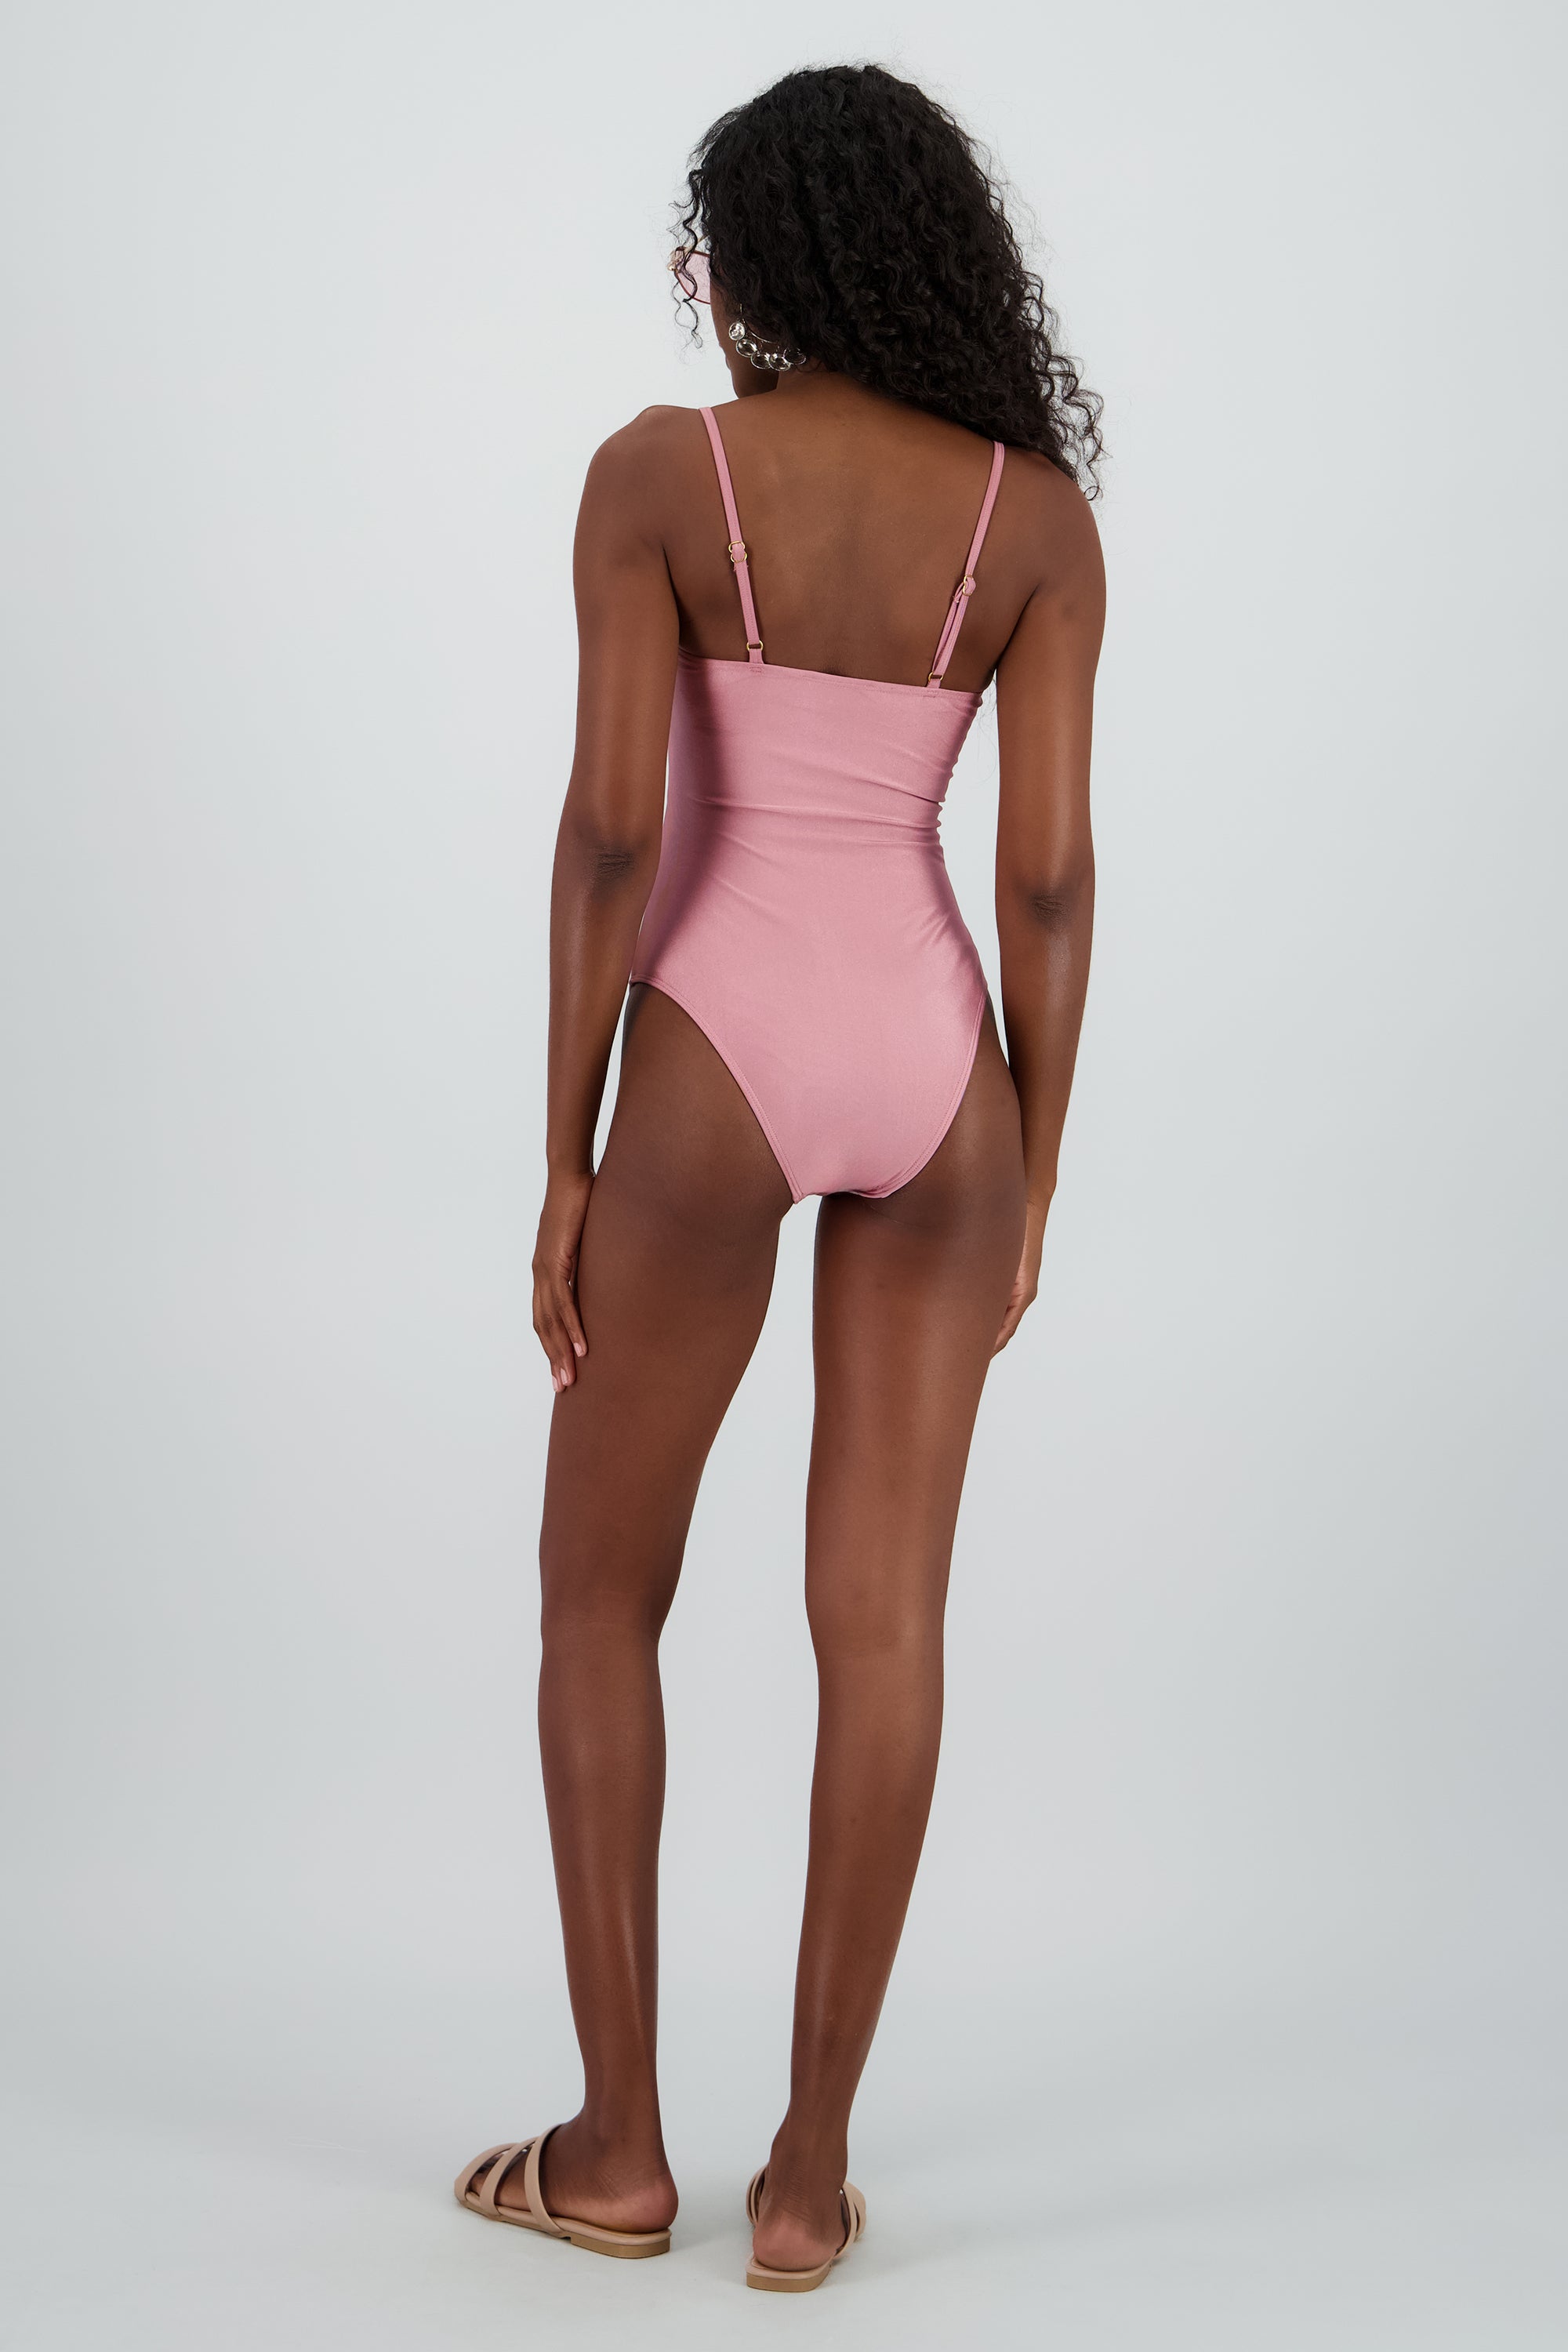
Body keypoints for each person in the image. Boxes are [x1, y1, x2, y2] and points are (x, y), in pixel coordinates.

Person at [454, 62, 1104, 2292]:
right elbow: (1046, 881)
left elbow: (613, 832)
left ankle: (618, 2151)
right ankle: (810, 2178)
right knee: (885, 1620)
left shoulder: (661, 477)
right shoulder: (1032, 520)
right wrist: (1036, 1165)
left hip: (715, 1050)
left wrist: (565, 1153)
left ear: (751, 269)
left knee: (595, 1593)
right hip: (936, 1058)